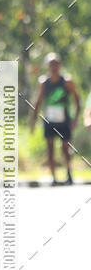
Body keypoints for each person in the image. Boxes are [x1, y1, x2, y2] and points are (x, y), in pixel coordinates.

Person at [30, 52, 80, 185]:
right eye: (51, 64)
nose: (53, 67)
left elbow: (76, 99)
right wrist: (33, 121)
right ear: (47, 66)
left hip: (64, 120)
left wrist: (75, 118)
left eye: (56, 64)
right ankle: (54, 177)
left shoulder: (67, 81)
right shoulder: (43, 82)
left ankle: (69, 174)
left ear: (60, 65)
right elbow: (38, 102)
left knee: (65, 147)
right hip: (49, 120)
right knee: (50, 148)